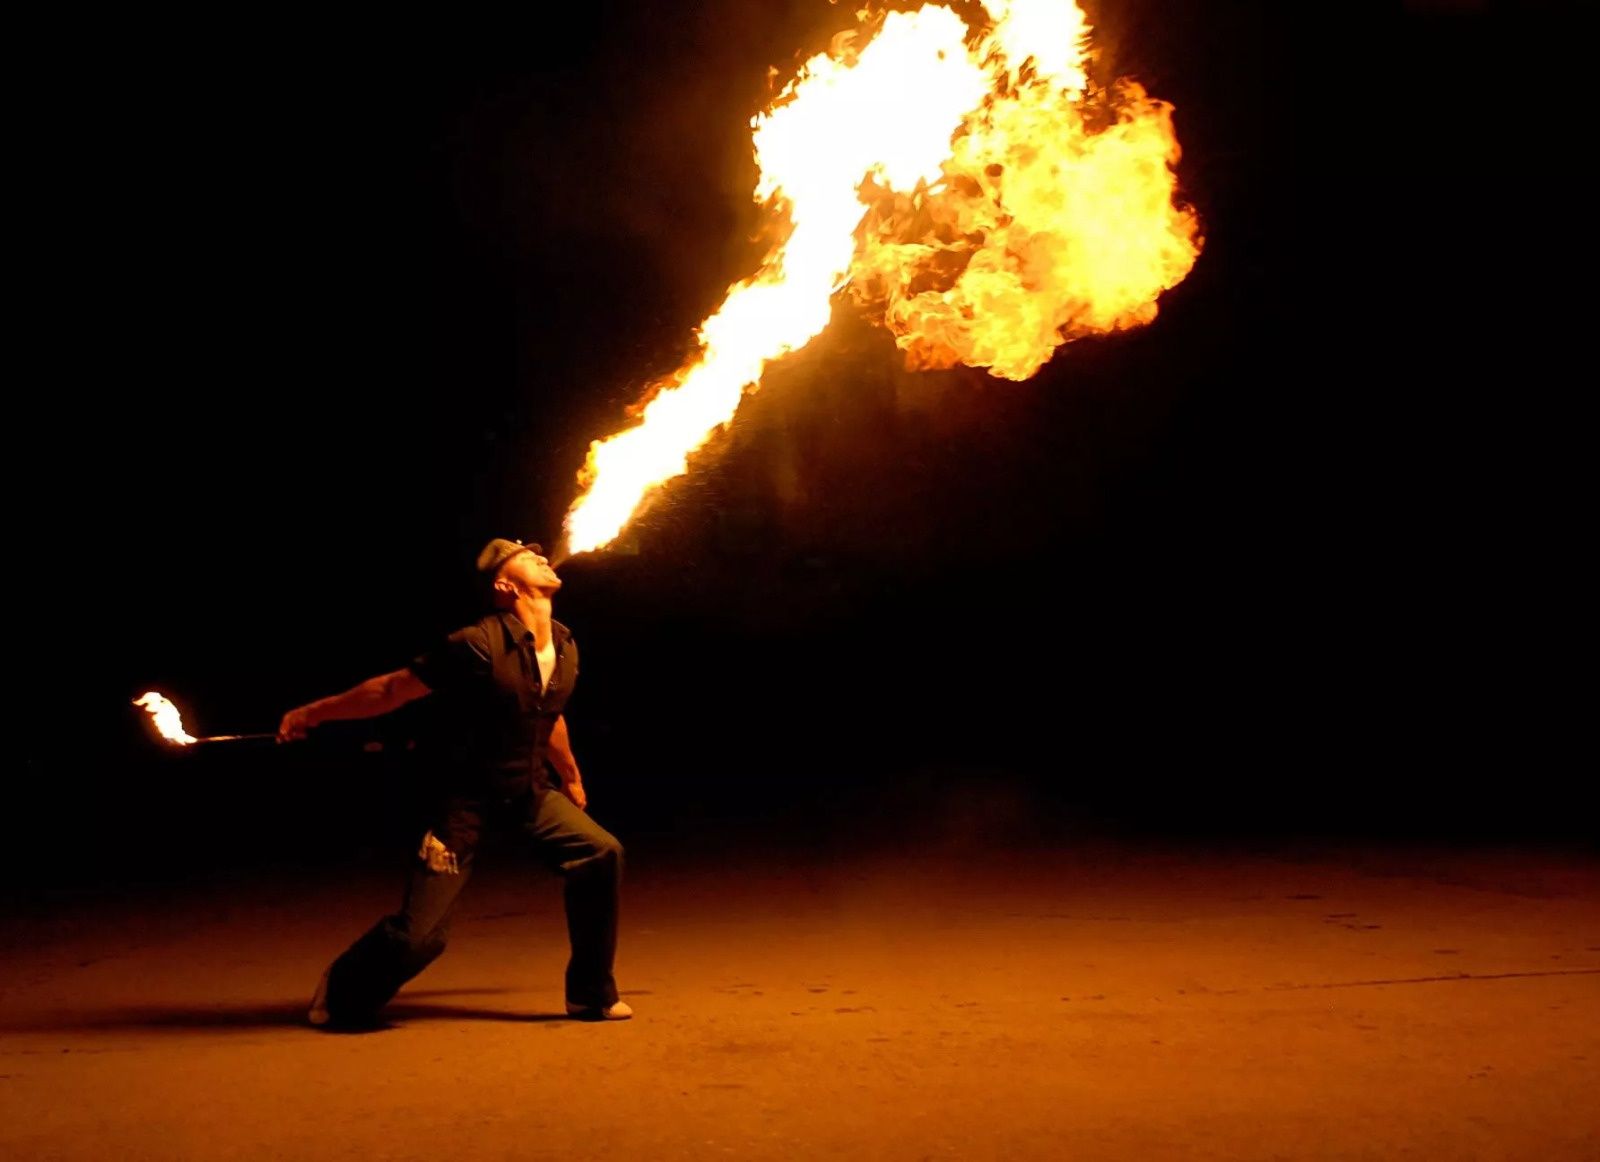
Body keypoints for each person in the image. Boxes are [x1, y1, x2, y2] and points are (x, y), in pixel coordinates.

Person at [278, 537, 631, 1027]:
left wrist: (570, 775)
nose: (542, 557)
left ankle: (590, 994)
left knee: (601, 852)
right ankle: (342, 988)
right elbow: (392, 689)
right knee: (422, 937)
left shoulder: (565, 644)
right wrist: (312, 713)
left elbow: (549, 713)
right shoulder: (476, 644)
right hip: (463, 802)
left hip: (527, 792)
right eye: (527, 557)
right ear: (506, 585)